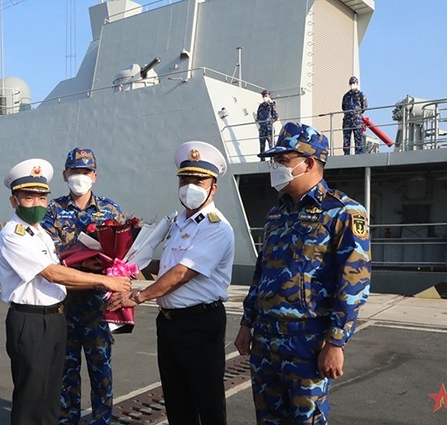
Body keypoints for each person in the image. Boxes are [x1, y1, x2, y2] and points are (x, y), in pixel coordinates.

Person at [234, 122, 371, 425]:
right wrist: (247, 323)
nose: (275, 168)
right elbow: (262, 272)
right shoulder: (275, 214)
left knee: (306, 420)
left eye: (282, 161)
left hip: (308, 342)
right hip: (266, 339)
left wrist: (336, 343)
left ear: (308, 163)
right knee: (267, 419)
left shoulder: (344, 212)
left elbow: (354, 281)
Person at [0, 158, 131, 425]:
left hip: (56, 318)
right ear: (14, 201)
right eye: (28, 197)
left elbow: (59, 278)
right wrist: (104, 282)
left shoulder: (40, 234)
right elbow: (52, 273)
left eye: (41, 197)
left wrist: (109, 274)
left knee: (50, 396)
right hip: (32, 320)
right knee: (32, 397)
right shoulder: (14, 234)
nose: (36, 203)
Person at [108, 141, 235, 425]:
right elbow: (166, 266)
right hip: (170, 323)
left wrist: (137, 297)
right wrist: (129, 266)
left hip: (200, 323)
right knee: (177, 400)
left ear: (213, 187)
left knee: (207, 402)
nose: (190, 185)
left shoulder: (216, 227)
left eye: (198, 180)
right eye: (185, 179)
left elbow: (182, 273)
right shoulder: (178, 222)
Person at [40, 147, 123, 425]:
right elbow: (48, 257)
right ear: (65, 175)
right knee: (65, 377)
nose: (80, 177)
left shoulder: (111, 210)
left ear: (95, 176)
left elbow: (122, 258)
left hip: (99, 309)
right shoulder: (51, 211)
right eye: (74, 171)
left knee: (102, 375)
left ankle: (102, 421)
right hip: (63, 309)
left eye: (85, 172)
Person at [341, 76, 368, 154]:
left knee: (358, 138)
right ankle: (346, 154)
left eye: (354, 83)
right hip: (347, 120)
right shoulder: (346, 96)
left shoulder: (361, 95)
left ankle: (358, 154)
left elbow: (364, 107)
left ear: (357, 84)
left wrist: (356, 113)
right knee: (346, 139)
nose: (352, 85)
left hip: (357, 120)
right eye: (351, 83)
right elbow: (343, 107)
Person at [256, 89, 279, 158]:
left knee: (271, 146)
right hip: (262, 129)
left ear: (269, 96)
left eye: (266, 95)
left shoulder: (272, 105)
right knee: (262, 146)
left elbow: (276, 116)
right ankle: (262, 160)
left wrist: (270, 122)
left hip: (269, 129)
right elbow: (258, 117)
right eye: (263, 96)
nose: (264, 97)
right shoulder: (260, 106)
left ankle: (273, 160)